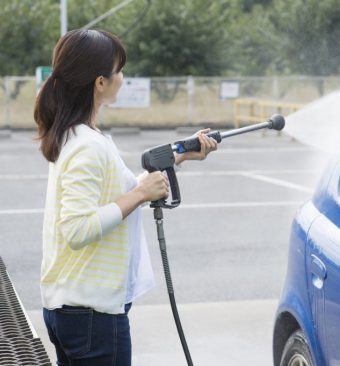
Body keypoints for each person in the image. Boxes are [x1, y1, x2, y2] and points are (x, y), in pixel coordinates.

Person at [34, 29, 217, 366]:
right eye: (118, 70)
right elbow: (77, 229)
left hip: (73, 309)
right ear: (99, 82)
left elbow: (115, 191)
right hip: (92, 315)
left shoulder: (76, 135)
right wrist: (139, 195)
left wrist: (179, 153)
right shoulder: (88, 146)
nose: (123, 77)